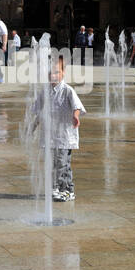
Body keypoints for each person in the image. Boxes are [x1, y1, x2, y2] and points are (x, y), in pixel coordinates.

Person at [29, 55, 85, 202]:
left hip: (65, 136)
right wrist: (33, 127)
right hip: (49, 136)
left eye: (56, 72)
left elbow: (77, 106)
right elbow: (39, 113)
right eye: (50, 73)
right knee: (55, 163)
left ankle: (58, 188)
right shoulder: (44, 92)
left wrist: (76, 116)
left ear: (63, 73)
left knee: (62, 163)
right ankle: (67, 189)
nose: (52, 75)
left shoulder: (68, 90)